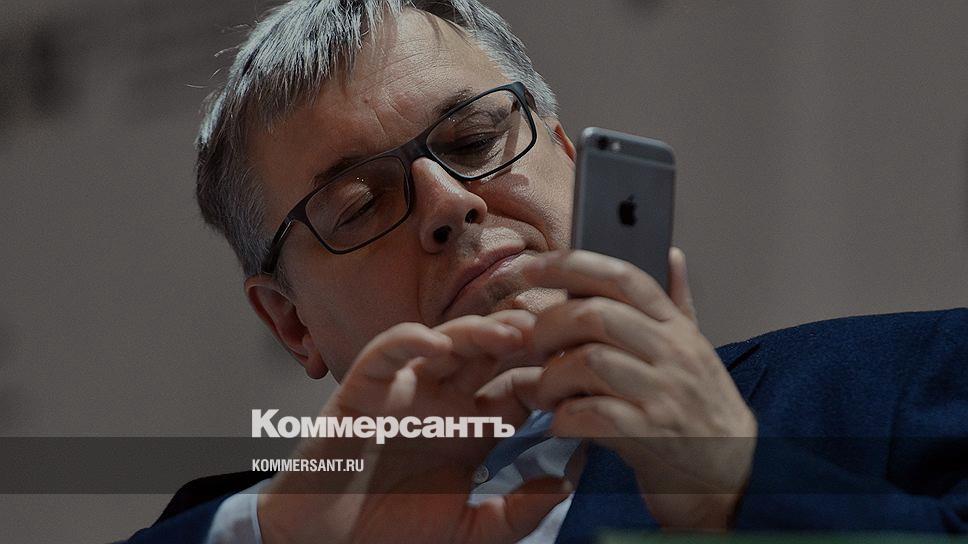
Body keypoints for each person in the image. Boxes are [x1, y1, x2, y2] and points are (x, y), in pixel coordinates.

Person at [127, 1, 968, 543]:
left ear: (567, 158)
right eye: (358, 204)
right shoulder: (265, 529)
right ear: (292, 323)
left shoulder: (898, 385)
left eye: (473, 140)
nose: (449, 203)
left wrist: (742, 488)